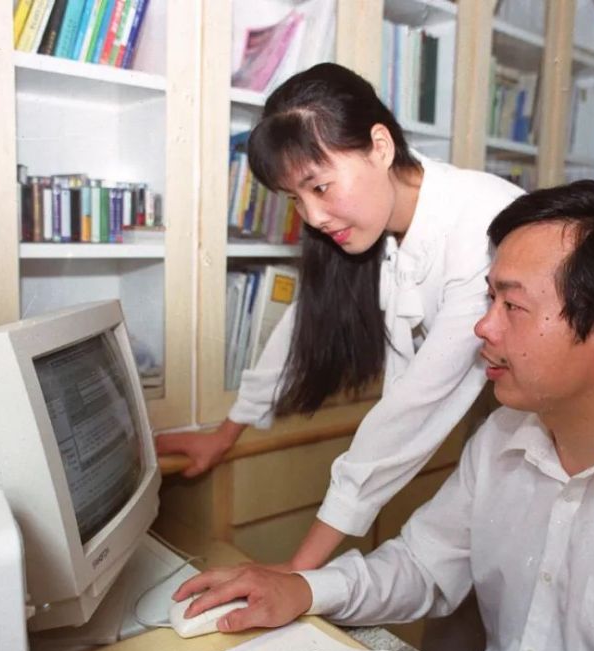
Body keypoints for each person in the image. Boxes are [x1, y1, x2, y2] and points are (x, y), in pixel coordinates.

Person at [173, 181, 594, 651]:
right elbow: (422, 564)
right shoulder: (503, 439)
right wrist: (303, 586)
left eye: (511, 305)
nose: (482, 326)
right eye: (487, 296)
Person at [156, 63, 523, 570]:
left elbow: (418, 402)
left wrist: (298, 571)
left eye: (320, 187)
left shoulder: (483, 226)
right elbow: (305, 322)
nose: (312, 217)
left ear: (380, 146)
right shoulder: (377, 223)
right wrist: (226, 432)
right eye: (295, 199)